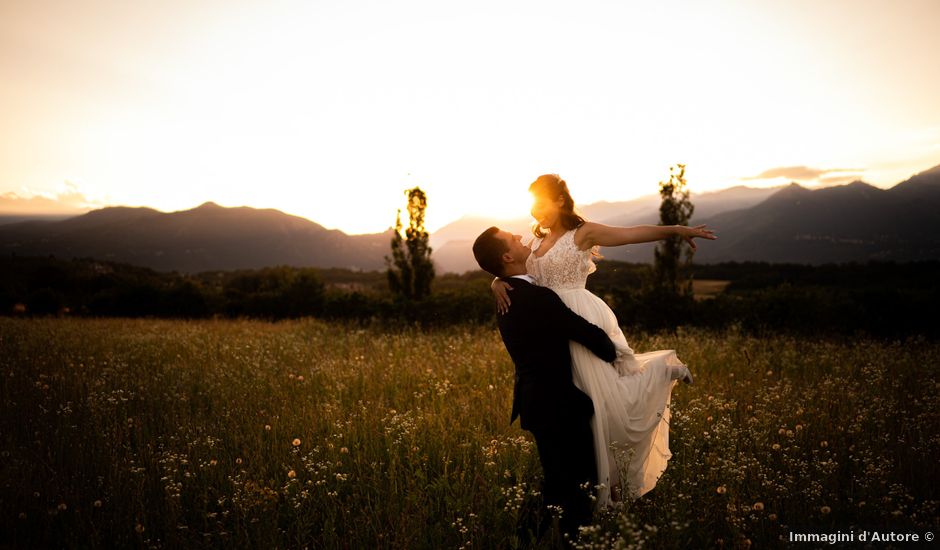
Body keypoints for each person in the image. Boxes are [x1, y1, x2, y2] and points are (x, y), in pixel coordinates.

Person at [490, 174, 716, 507]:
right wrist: (494, 282)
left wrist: (676, 231)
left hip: (581, 317)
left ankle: (662, 369)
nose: (535, 212)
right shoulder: (533, 239)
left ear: (561, 201)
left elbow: (631, 234)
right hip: (552, 326)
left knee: (606, 393)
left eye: (541, 203)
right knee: (579, 404)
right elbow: (508, 265)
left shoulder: (583, 232)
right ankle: (588, 487)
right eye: (532, 205)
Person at [472, 226, 632, 547]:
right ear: (506, 256)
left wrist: (494, 281)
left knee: (558, 483)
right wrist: (624, 359)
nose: (521, 238)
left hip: (538, 404)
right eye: (513, 240)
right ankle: (569, 540)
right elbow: (585, 332)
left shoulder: (510, 293)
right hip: (560, 406)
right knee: (579, 485)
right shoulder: (536, 298)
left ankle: (526, 537)